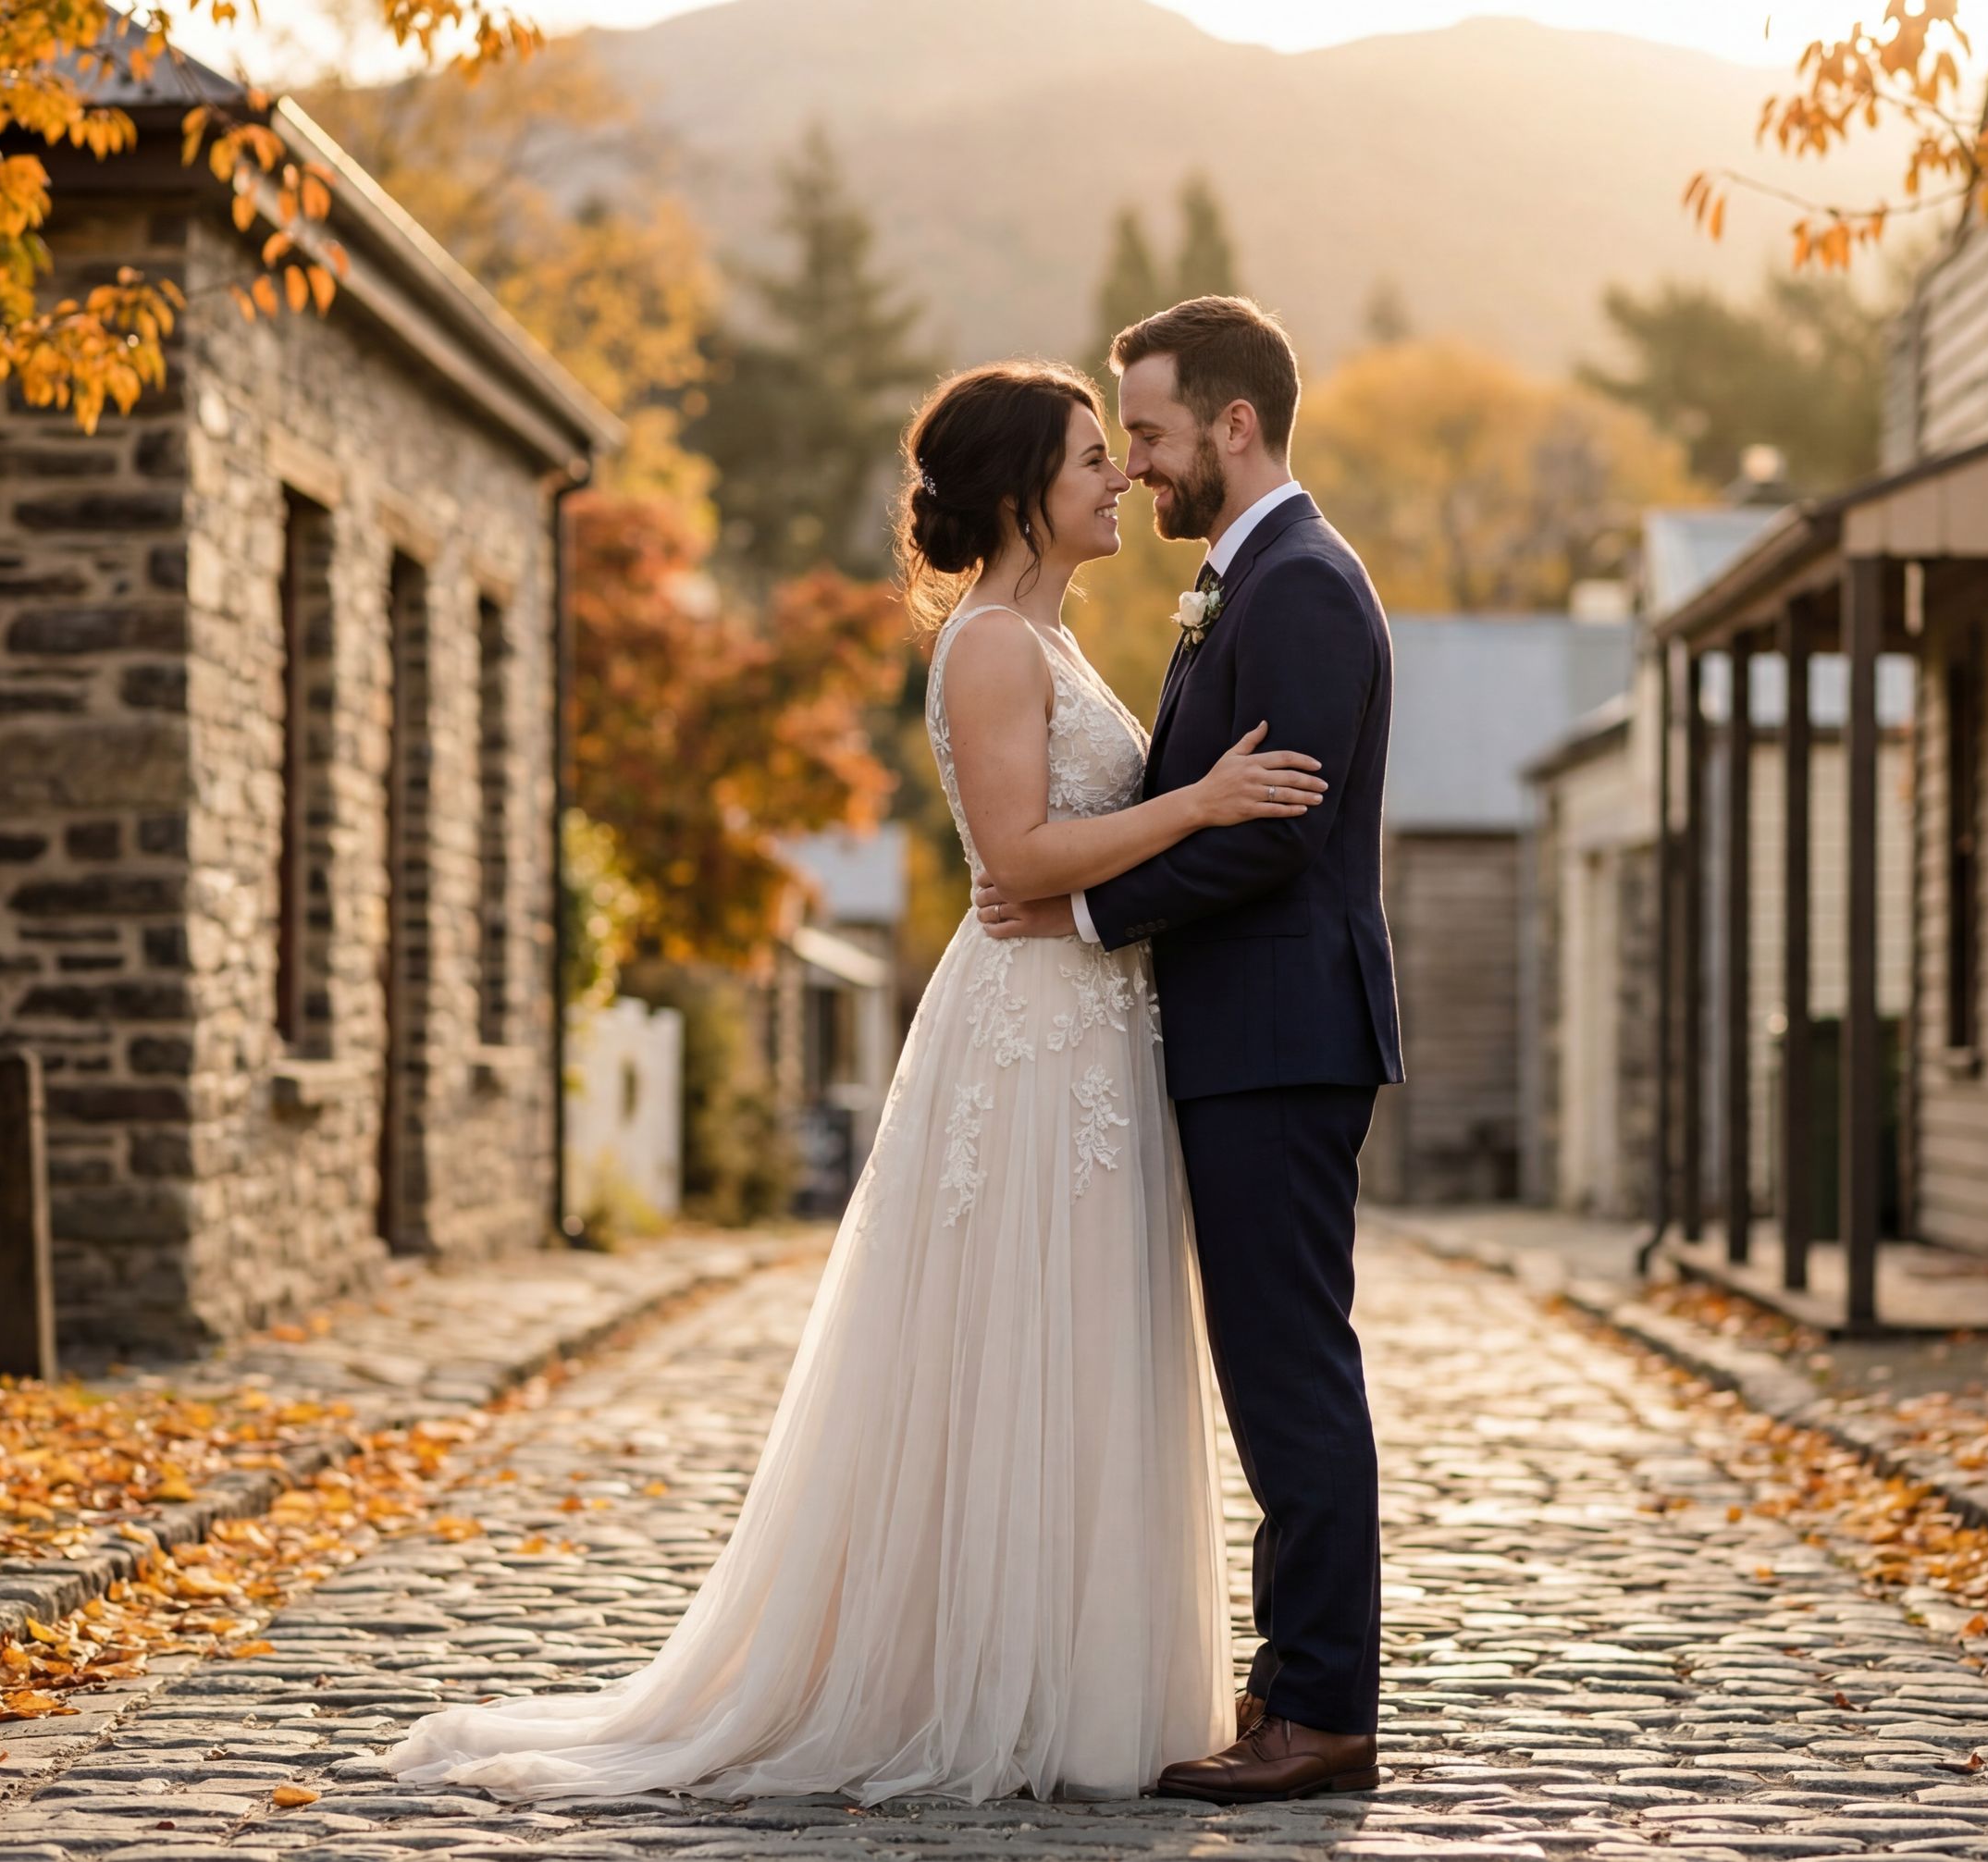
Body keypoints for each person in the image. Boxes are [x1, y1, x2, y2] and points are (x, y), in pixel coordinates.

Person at [381, 358, 1329, 1805]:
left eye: (1119, 450)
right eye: (1093, 457)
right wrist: (1195, 803)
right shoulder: (994, 650)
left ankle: (1070, 1668)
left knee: (1077, 1339)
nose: (1120, 478)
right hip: (1030, 1030)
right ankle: (979, 1678)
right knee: (1017, 1339)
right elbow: (1014, 861)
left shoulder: (1049, 640)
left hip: (1088, 1026)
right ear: (1023, 491)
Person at [975, 296, 1402, 1806]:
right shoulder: (1245, 579)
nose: (1139, 465)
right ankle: (1296, 1684)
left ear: (1234, 425)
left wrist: (1082, 910)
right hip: (1248, 1031)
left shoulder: (1295, 585)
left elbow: (1268, 835)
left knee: (1289, 1370)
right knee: (1272, 1363)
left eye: (1148, 432)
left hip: (1280, 1032)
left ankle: (1323, 1708)